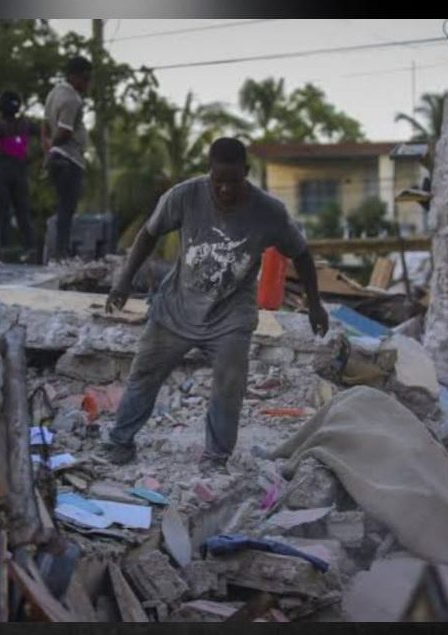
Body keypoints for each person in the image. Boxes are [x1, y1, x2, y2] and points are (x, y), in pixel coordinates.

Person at [101, 137, 330, 473]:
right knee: (144, 374)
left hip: (230, 316)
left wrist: (315, 305)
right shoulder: (184, 196)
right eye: (217, 181)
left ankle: (215, 457)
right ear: (209, 173)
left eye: (232, 181)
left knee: (229, 384)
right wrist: (123, 281)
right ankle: (120, 441)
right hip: (177, 308)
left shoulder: (269, 212)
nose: (224, 189)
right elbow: (148, 235)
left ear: (246, 174)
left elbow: (301, 254)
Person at [0, 90, 40, 263]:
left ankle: (4, 250)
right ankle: (30, 249)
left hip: (1, 170)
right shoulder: (26, 125)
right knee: (23, 212)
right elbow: (43, 133)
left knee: (2, 212)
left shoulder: (0, 126)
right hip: (19, 170)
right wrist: (30, 155)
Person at [41, 56, 91, 262]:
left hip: (57, 157)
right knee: (66, 209)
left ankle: (58, 253)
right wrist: (53, 146)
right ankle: (60, 255)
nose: (88, 84)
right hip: (69, 159)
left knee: (62, 206)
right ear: (76, 76)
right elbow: (64, 131)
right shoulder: (72, 99)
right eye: (86, 78)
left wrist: (47, 149)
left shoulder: (54, 93)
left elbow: (44, 124)